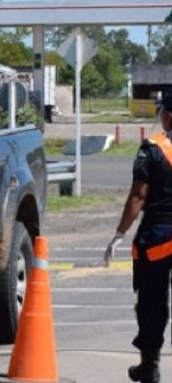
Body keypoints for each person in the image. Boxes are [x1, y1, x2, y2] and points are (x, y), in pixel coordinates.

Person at [104, 91, 172, 383]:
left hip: (158, 239)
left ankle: (150, 366)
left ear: (167, 115)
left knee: (151, 304)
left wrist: (119, 234)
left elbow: (138, 196)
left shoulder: (152, 149)